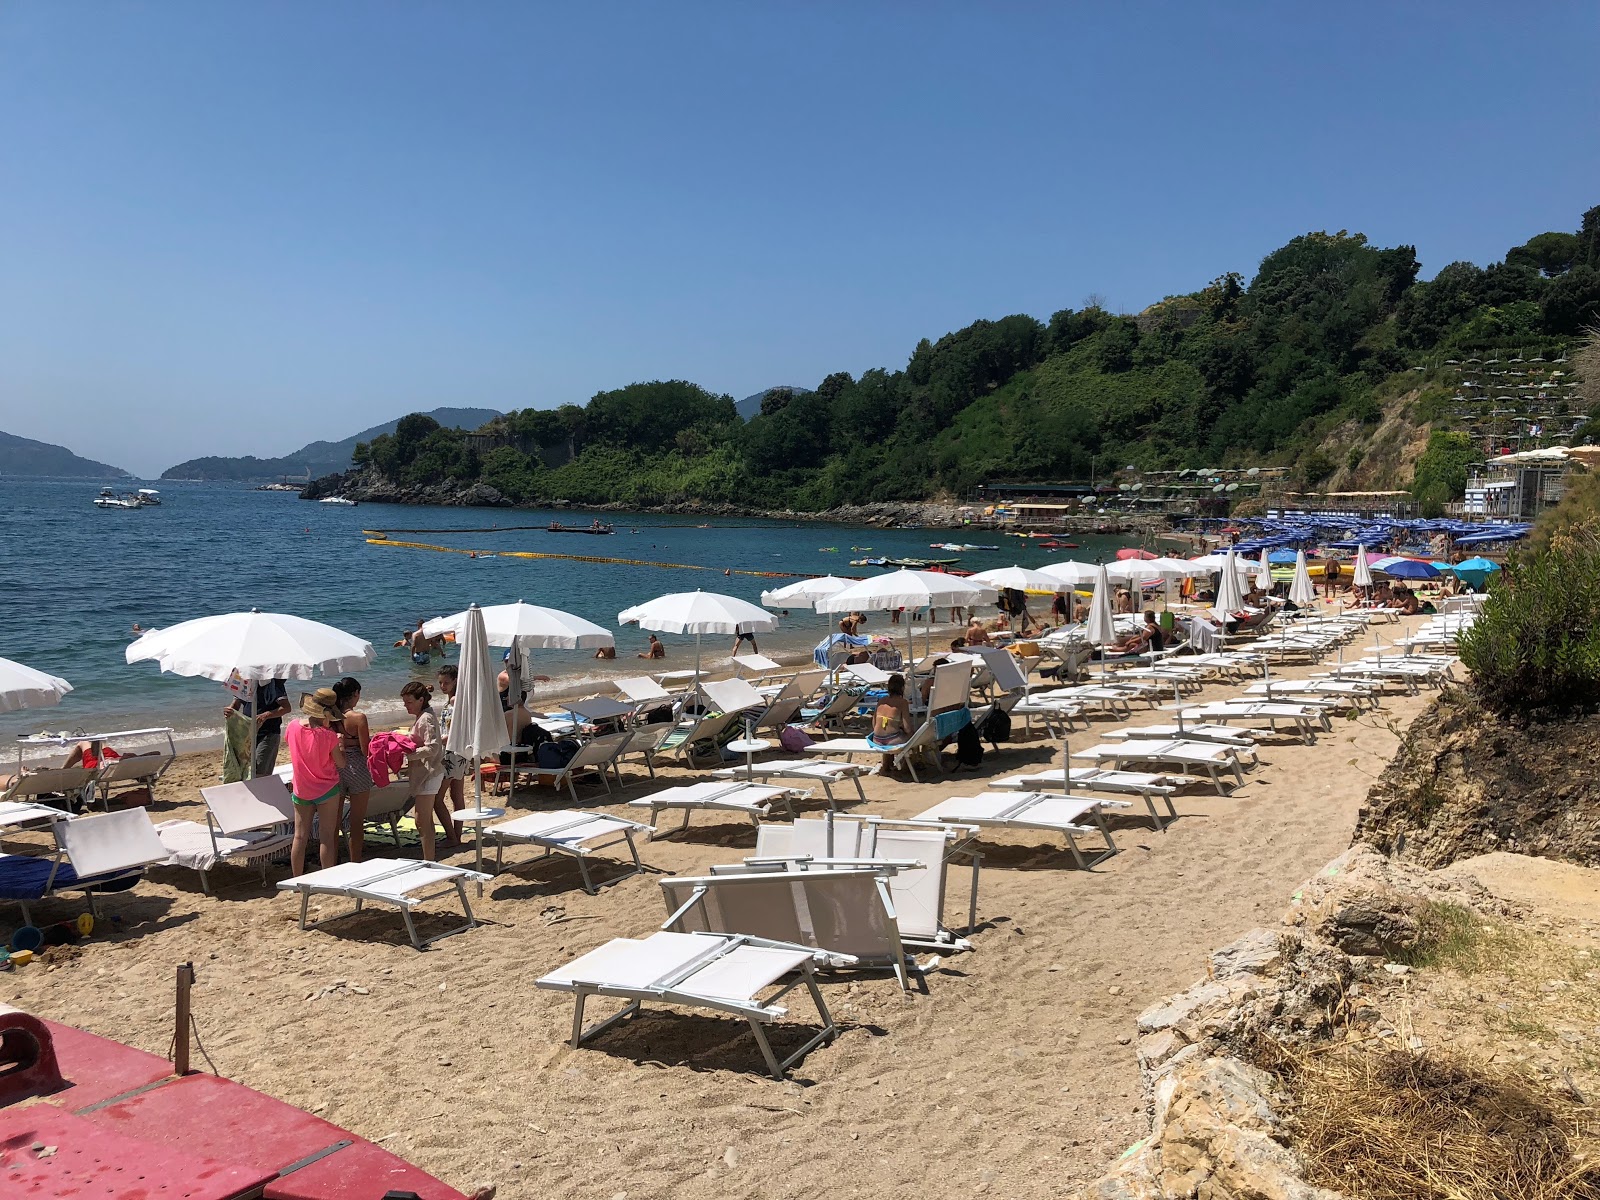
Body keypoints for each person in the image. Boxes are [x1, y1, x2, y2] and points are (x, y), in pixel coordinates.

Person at [285, 688, 346, 877]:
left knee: (300, 836)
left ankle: (296, 880)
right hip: (326, 789)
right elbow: (341, 763)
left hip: (302, 789)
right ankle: (327, 878)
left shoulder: (292, 727)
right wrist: (340, 744)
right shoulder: (329, 736)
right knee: (326, 836)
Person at [400, 681, 454, 862]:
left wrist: (409, 754)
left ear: (420, 699)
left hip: (430, 772)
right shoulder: (423, 715)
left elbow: (433, 747)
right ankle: (429, 858)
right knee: (423, 819)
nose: (406, 706)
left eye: (409, 702)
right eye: (405, 703)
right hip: (427, 772)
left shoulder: (426, 718)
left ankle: (429, 860)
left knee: (421, 820)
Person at [332, 677, 372, 863]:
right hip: (356, 767)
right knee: (356, 821)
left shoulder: (331, 715)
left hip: (336, 766)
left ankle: (331, 860)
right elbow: (366, 750)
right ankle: (355, 861)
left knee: (334, 820)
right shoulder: (358, 718)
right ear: (355, 694)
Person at [224, 677, 289, 778]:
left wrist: (266, 715)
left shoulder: (273, 685)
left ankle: (262, 792)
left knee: (261, 771)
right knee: (247, 769)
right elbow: (235, 705)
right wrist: (229, 711)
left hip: (268, 733)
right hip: (247, 733)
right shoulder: (244, 685)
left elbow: (286, 708)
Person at [434, 665, 467, 846]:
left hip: (451, 752)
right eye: (440, 683)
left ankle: (451, 837)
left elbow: (454, 729)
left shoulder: (454, 701)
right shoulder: (458, 700)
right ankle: (457, 835)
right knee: (457, 795)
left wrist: (437, 741)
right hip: (460, 751)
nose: (443, 686)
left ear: (455, 680)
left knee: (438, 799)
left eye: (446, 682)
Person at [870, 674, 914, 775]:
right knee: (913, 735)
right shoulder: (903, 703)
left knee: (890, 734)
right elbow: (907, 728)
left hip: (876, 740)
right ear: (902, 688)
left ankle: (887, 765)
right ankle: (906, 767)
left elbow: (874, 724)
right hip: (891, 741)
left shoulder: (882, 701)